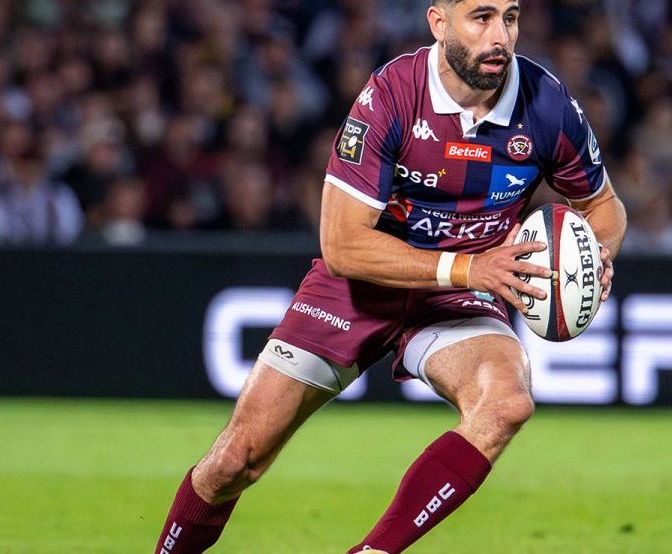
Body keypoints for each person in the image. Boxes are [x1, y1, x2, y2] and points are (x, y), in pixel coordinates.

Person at [154, 1, 626, 552]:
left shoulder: (547, 104)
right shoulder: (393, 94)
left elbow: (604, 206)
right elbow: (341, 246)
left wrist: (594, 256)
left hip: (458, 297)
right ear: (439, 22)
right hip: (362, 285)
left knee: (506, 403)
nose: (500, 35)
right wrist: (469, 266)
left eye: (510, 17)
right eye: (481, 17)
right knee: (235, 461)